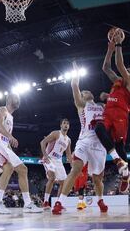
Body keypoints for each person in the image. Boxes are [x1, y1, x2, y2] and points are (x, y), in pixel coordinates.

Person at [52, 61, 108, 215]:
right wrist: (75, 73)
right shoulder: (81, 105)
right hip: (84, 141)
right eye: (83, 92)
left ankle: (100, 200)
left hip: (99, 144)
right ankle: (59, 202)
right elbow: (74, 86)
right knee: (75, 170)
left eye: (86, 91)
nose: (85, 92)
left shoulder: (101, 106)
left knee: (98, 178)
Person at [95, 29, 130, 193]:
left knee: (119, 144)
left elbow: (119, 65)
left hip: (121, 116)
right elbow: (106, 67)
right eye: (128, 68)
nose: (128, 69)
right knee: (98, 128)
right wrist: (109, 49)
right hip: (109, 112)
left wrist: (118, 44)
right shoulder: (118, 82)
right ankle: (118, 162)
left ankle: (125, 176)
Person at [0, 93, 42, 214]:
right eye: (16, 98)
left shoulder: (10, 117)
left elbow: (6, 140)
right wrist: (11, 137)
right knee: (19, 169)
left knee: (15, 169)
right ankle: (23, 204)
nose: (18, 100)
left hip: (3, 145)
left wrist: (10, 148)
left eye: (19, 98)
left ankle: (3, 203)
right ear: (8, 99)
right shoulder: (2, 110)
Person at [40, 119, 72, 210]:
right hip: (49, 158)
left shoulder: (68, 140)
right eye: (64, 123)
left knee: (64, 183)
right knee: (52, 178)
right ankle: (45, 202)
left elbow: (69, 154)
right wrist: (45, 155)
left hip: (58, 161)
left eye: (67, 124)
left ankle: (58, 203)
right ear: (61, 125)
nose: (66, 125)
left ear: (69, 126)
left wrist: (73, 166)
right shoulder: (56, 133)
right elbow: (42, 142)